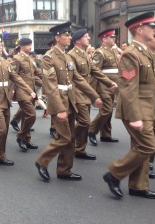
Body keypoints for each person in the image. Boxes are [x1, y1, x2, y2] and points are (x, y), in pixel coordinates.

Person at [103, 12, 155, 199]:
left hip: (148, 108)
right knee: (148, 147)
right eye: (152, 27)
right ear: (140, 30)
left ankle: (138, 186)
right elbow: (128, 88)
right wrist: (135, 117)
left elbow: (153, 84)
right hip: (137, 109)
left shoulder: (146, 53)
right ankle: (114, 174)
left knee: (141, 147)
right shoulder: (131, 54)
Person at [34, 21, 102, 182]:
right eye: (67, 35)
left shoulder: (66, 56)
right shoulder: (49, 57)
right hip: (60, 103)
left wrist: (94, 96)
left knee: (70, 138)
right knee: (64, 138)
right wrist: (59, 109)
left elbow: (77, 79)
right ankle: (41, 161)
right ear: (57, 37)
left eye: (70, 35)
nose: (70, 37)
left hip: (70, 101)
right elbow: (50, 86)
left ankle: (64, 170)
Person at [0, 36, 36, 169]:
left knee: (3, 130)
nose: (1, 47)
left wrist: (29, 91)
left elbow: (16, 78)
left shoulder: (5, 62)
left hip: (5, 100)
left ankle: (1, 155)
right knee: (1, 129)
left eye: (1, 45)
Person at [69, 29, 118, 160]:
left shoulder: (85, 54)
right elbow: (76, 78)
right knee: (85, 122)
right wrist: (95, 94)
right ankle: (66, 137)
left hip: (86, 92)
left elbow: (95, 71)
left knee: (84, 122)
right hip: (78, 92)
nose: (89, 38)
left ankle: (80, 149)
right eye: (86, 36)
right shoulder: (71, 55)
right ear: (78, 40)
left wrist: (110, 83)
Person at [88, 28, 120, 146]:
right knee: (107, 109)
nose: (114, 39)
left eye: (114, 37)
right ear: (104, 39)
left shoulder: (113, 52)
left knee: (109, 110)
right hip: (103, 85)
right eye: (112, 37)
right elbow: (95, 71)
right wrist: (93, 91)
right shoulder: (99, 52)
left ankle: (106, 134)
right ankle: (92, 130)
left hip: (113, 85)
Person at [12, 38, 42, 152]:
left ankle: (26, 140)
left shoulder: (29, 59)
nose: (30, 47)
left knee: (25, 116)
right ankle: (21, 137)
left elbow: (36, 73)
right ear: (21, 46)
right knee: (31, 114)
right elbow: (14, 76)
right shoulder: (17, 59)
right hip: (22, 91)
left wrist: (50, 77)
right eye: (28, 45)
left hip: (32, 91)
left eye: (31, 44)